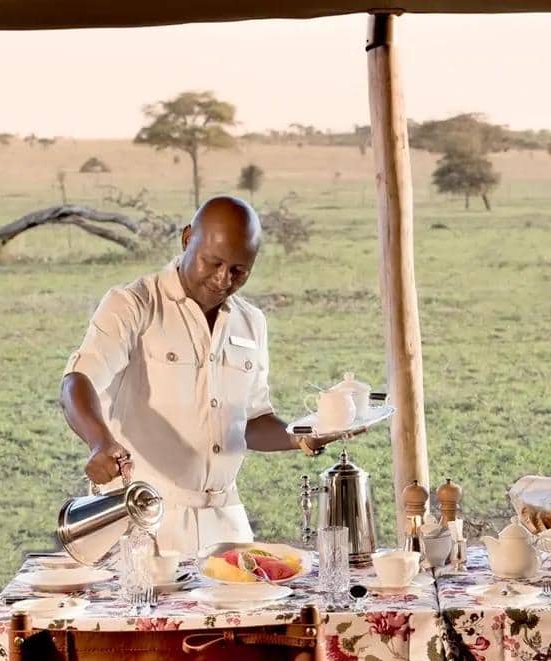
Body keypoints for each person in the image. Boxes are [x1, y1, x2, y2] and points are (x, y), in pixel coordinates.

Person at [59, 195, 340, 554]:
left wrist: (300, 436)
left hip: (227, 524)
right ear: (188, 238)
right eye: (214, 262)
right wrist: (100, 442)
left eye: (240, 270)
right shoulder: (134, 304)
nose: (223, 279)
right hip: (143, 520)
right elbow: (77, 381)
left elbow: (251, 421)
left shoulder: (251, 322)